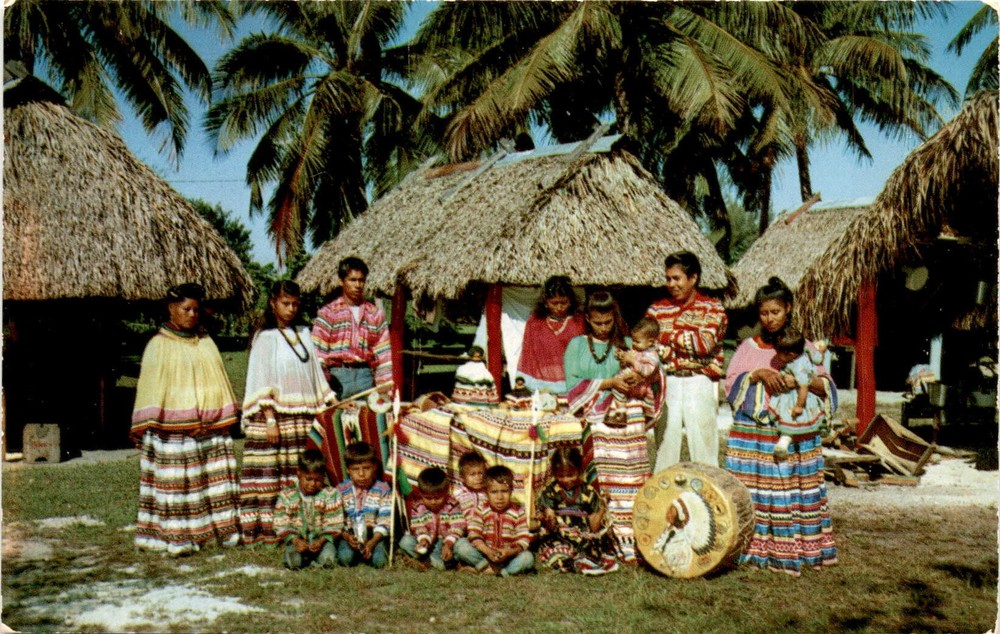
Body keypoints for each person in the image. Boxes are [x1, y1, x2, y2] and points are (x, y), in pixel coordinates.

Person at [724, 276, 837, 575]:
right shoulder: (748, 347)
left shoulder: (806, 347)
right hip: (756, 436)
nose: (770, 319)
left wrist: (801, 381)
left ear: (788, 308)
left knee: (787, 490)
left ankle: (793, 546)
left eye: (775, 312)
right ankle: (750, 547)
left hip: (793, 434)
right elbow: (731, 384)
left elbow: (826, 386)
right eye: (764, 313)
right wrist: (758, 373)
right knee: (757, 492)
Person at [130, 283, 240, 555]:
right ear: (171, 309)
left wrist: (212, 417)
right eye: (186, 309)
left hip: (209, 429)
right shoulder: (159, 345)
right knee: (178, 483)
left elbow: (219, 382)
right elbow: (151, 390)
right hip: (174, 434)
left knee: (211, 482)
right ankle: (177, 534)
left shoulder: (206, 343)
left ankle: (218, 531)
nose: (192, 314)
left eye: (196, 309)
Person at [564, 290, 664, 563]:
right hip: (597, 421)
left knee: (631, 478)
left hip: (628, 421)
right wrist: (609, 384)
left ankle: (637, 536)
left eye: (608, 322)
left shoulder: (629, 343)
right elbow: (571, 385)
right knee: (606, 478)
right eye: (598, 323)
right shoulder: (577, 345)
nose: (604, 328)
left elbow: (652, 370)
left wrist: (636, 378)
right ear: (588, 318)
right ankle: (607, 535)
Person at [240, 280, 338, 545]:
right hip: (275, 418)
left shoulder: (305, 333)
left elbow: (315, 375)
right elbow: (261, 380)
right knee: (272, 474)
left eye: (295, 304)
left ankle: (303, 525)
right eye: (286, 303)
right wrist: (270, 419)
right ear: (273, 303)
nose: (291, 309)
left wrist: (331, 403)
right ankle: (271, 528)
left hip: (303, 417)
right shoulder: (265, 337)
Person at [645, 251, 728, 470]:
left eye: (677, 278)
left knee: (703, 447)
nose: (671, 284)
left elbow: (704, 345)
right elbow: (648, 344)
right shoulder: (656, 309)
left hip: (699, 380)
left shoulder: (713, 307)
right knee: (665, 446)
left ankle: (708, 498)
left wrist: (666, 336)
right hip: (667, 381)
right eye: (668, 278)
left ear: (693, 278)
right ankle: (664, 498)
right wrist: (683, 339)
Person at [312, 257, 392, 398]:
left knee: (367, 418)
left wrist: (385, 390)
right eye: (352, 280)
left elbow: (384, 356)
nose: (358, 285)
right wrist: (325, 390)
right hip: (337, 377)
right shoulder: (328, 313)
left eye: (361, 280)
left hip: (365, 377)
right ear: (341, 281)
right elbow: (317, 354)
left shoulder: (374, 314)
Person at [534, 447, 618, 575]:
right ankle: (581, 563)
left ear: (579, 470)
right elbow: (551, 524)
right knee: (558, 551)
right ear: (554, 473)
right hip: (560, 534)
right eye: (560, 475)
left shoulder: (588, 491)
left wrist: (602, 506)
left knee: (597, 541)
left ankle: (586, 561)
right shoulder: (550, 492)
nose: (566, 480)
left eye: (570, 475)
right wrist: (547, 520)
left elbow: (594, 527)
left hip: (582, 535)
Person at [456, 466, 534, 576]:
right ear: (486, 493)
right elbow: (474, 533)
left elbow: (523, 539)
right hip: (485, 554)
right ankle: (486, 566)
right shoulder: (481, 509)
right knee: (461, 545)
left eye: (504, 491)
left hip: (508, 557)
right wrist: (487, 551)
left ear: (511, 491)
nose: (500, 497)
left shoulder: (518, 512)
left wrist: (508, 552)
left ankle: (500, 571)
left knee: (527, 558)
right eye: (494, 492)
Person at [273, 449, 343, 569]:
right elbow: (281, 523)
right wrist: (295, 541)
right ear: (299, 473)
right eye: (308, 479)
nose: (312, 484)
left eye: (318, 480)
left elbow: (335, 522)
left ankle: (314, 560)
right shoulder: (287, 495)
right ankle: (302, 559)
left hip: (321, 541)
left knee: (329, 558)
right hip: (297, 540)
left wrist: (321, 541)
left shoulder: (331, 494)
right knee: (294, 562)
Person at [516, 276, 585, 394]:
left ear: (571, 301)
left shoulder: (578, 323)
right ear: (546, 302)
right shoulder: (535, 323)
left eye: (564, 302)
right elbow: (528, 354)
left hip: (572, 383)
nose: (559, 307)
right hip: (541, 385)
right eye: (554, 303)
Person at [766, 329, 827, 459]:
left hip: (797, 396)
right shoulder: (806, 351)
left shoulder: (797, 367)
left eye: (779, 354)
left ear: (791, 354)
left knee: (790, 418)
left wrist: (799, 405)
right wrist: (821, 350)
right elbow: (818, 359)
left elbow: (803, 387)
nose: (777, 356)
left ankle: (784, 442)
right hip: (800, 394)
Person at [336, 441, 392, 568]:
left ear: (375, 467)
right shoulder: (341, 490)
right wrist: (347, 536)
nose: (361, 474)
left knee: (379, 561)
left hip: (374, 536)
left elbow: (385, 520)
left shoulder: (383, 489)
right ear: (348, 470)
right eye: (356, 469)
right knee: (345, 559)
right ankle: (355, 554)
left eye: (366, 468)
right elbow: (337, 519)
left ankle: (369, 552)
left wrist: (372, 543)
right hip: (350, 536)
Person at [399, 467, 466, 570]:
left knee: (449, 557)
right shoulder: (418, 507)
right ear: (421, 494)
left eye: (438, 498)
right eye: (428, 498)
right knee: (406, 541)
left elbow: (458, 526)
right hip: (428, 544)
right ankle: (428, 561)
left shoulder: (452, 504)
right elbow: (418, 526)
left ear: (446, 492)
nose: (433, 502)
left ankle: (430, 562)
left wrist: (448, 544)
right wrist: (423, 540)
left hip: (447, 543)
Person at [607, 317, 661, 426]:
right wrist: (623, 357)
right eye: (633, 340)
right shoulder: (637, 349)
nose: (634, 344)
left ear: (650, 342)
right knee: (617, 385)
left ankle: (646, 414)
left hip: (642, 385)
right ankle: (621, 414)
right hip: (632, 382)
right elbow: (628, 361)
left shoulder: (652, 355)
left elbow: (647, 371)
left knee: (619, 388)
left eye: (637, 341)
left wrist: (632, 361)